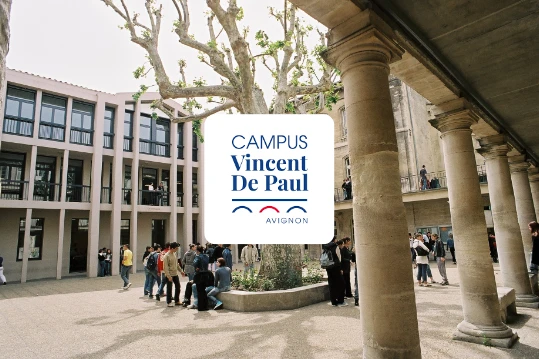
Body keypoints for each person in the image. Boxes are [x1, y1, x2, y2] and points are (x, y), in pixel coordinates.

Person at [322, 237, 346, 306]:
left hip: (328, 267)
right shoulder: (336, 247)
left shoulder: (325, 247)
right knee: (341, 283)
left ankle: (333, 301)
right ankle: (340, 301)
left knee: (331, 284)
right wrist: (340, 268)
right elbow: (339, 258)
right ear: (334, 240)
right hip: (336, 267)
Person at [188, 245, 212, 311]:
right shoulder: (206, 256)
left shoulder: (198, 256)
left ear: (197, 251)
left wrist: (197, 268)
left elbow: (194, 263)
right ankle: (205, 306)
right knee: (203, 291)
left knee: (200, 291)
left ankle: (201, 307)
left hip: (199, 275)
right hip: (206, 275)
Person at [164, 242, 184, 307]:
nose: (177, 249)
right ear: (172, 248)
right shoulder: (166, 256)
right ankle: (169, 302)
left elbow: (177, 264)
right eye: (176, 248)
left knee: (178, 287)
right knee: (169, 288)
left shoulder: (174, 254)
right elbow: (165, 267)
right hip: (169, 274)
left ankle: (177, 300)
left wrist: (181, 271)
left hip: (175, 274)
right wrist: (168, 276)